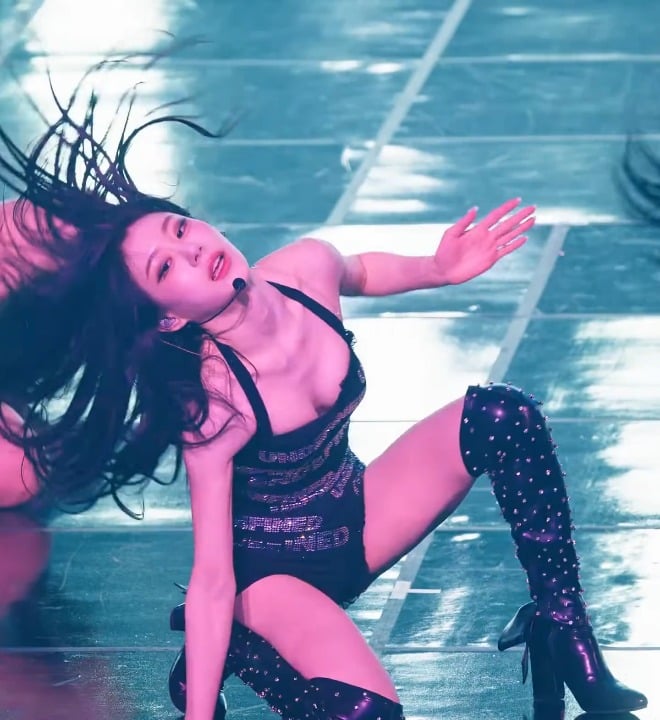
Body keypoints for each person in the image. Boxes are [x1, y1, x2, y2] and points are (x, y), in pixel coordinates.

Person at [0, 65, 648, 720]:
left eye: (179, 230)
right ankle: (238, 650)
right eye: (166, 267)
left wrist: (438, 269)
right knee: (365, 713)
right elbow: (213, 579)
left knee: (503, 416)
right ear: (167, 317)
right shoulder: (214, 403)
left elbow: (358, 270)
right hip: (272, 578)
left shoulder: (304, 269)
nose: (192, 251)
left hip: (360, 517)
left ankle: (562, 630)